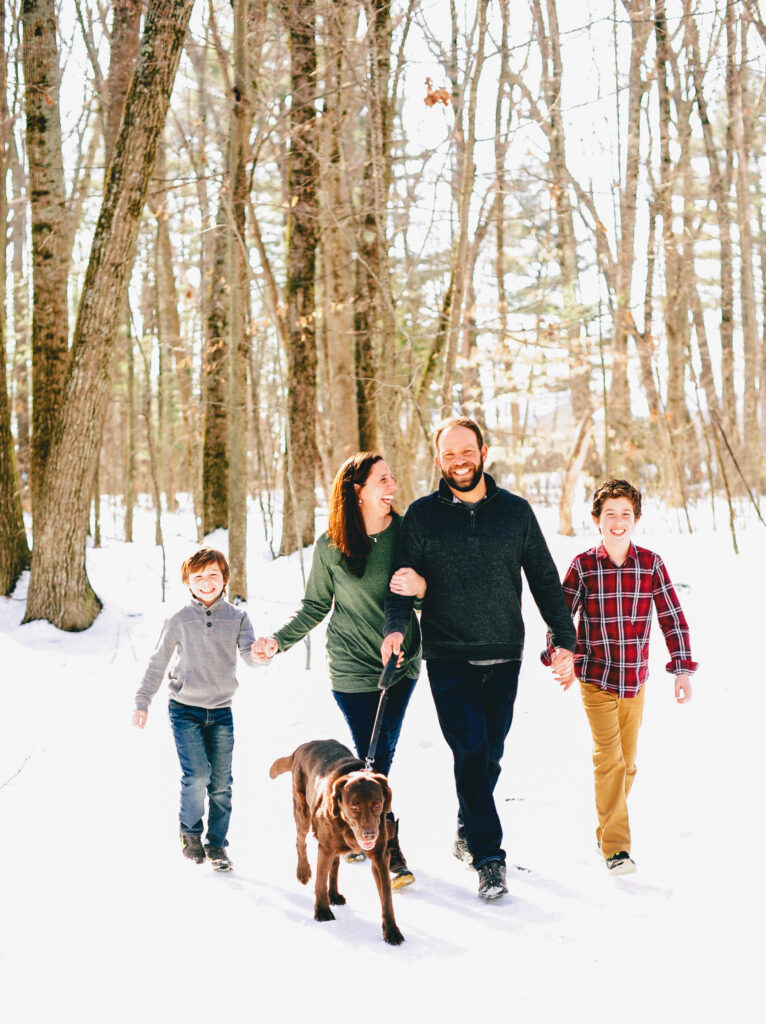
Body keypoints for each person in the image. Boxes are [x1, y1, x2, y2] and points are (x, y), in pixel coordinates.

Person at [382, 416, 576, 901]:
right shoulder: (423, 516)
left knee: (489, 754)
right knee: (469, 750)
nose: (459, 461)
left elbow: (545, 580)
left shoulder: (515, 512)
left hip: (503, 651)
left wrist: (565, 639)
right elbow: (402, 583)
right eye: (449, 454)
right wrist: (394, 630)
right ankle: (490, 859)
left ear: (483, 451)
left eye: (466, 451)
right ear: (437, 460)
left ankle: (468, 826)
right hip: (447, 654)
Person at [252, 452, 425, 888]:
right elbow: (315, 606)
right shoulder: (331, 545)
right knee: (373, 752)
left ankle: (366, 834)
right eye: (382, 480)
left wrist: (420, 593)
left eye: (392, 478)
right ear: (357, 490)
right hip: (350, 667)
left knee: (379, 752)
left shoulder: (407, 534)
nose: (392, 486)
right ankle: (384, 842)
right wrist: (280, 640)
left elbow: (426, 596)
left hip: (398, 664)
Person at [542, 478, 697, 875]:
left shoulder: (651, 564)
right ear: (596, 519)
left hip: (635, 680)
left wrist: (681, 667)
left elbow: (671, 618)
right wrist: (560, 654)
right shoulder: (583, 565)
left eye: (625, 514)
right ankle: (616, 849)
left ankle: (605, 825)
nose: (617, 521)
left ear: (636, 519)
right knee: (608, 761)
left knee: (628, 765)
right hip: (595, 676)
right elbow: (562, 619)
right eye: (609, 513)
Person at [133, 548, 262, 872]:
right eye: (198, 577)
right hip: (184, 709)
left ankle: (216, 844)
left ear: (224, 579)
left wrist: (264, 652)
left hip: (220, 711)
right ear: (188, 582)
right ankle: (190, 834)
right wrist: (142, 701)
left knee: (221, 782)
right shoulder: (178, 619)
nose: (206, 582)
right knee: (197, 775)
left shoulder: (237, 618)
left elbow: (250, 655)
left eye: (213, 575)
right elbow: (157, 662)